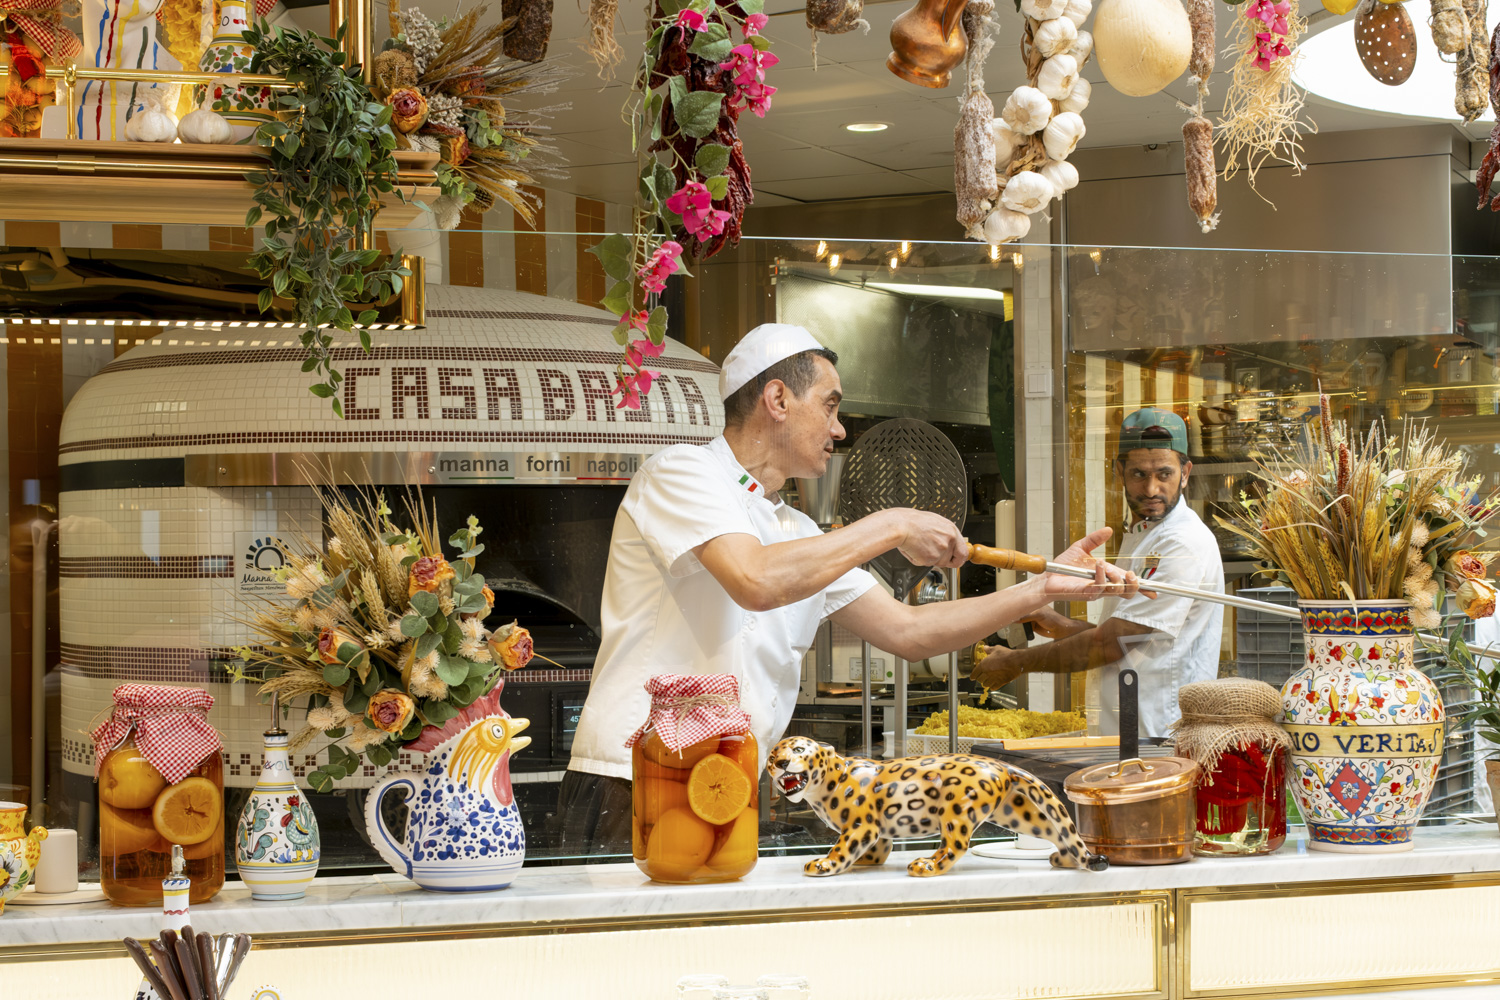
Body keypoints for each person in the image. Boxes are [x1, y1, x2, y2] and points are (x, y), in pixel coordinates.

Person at [556, 324, 1142, 854]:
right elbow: (755, 579)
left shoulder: (797, 530)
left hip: (733, 782)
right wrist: (894, 523)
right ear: (778, 399)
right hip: (633, 776)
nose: (839, 429)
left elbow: (909, 631)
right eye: (830, 405)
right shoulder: (681, 471)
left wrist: (1040, 590)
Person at [970, 406, 1225, 737]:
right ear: (1119, 471)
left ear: (1186, 473)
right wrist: (1060, 624)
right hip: (1130, 730)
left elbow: (1111, 644)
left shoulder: (1181, 542)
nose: (1151, 489)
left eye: (1164, 474)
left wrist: (1017, 661)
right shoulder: (1143, 534)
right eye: (1138, 474)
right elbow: (1133, 640)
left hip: (1160, 734)